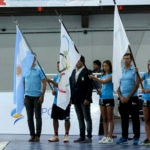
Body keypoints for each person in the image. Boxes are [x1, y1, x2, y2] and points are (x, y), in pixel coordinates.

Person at [116, 53, 140, 145]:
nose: (126, 60)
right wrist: (121, 96)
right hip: (122, 99)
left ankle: (136, 137)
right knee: (124, 118)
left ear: (131, 60)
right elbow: (117, 85)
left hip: (132, 98)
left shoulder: (135, 70)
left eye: (128, 58)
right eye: (124, 58)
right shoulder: (120, 71)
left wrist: (128, 97)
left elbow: (137, 85)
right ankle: (124, 137)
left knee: (135, 118)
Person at [89, 60, 114, 144]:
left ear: (110, 66)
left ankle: (110, 137)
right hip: (102, 97)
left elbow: (104, 82)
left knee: (110, 118)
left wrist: (94, 77)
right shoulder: (103, 75)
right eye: (103, 66)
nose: (105, 67)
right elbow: (103, 85)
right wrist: (99, 90)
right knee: (104, 118)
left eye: (106, 65)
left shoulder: (112, 75)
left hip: (109, 98)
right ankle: (105, 136)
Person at [69, 56, 93, 143]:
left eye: (79, 61)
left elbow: (89, 87)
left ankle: (89, 136)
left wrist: (87, 98)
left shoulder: (87, 71)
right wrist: (71, 98)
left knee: (87, 118)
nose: (77, 63)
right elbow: (71, 86)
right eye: (76, 61)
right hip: (75, 99)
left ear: (83, 62)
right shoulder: (73, 72)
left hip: (84, 99)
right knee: (80, 118)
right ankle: (82, 136)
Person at [24, 54, 46, 142]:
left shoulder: (39, 69)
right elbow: (23, 84)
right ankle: (32, 135)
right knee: (29, 117)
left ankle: (38, 135)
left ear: (35, 59)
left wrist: (42, 95)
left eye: (32, 58)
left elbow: (44, 83)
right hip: (28, 97)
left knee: (38, 117)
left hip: (37, 97)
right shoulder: (25, 70)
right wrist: (24, 96)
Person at [47, 61, 71, 143]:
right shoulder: (56, 76)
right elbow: (55, 88)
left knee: (66, 119)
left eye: (59, 66)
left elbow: (63, 87)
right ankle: (56, 135)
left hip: (65, 101)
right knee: (55, 118)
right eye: (57, 66)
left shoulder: (67, 76)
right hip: (56, 101)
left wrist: (51, 82)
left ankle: (66, 135)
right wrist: (54, 91)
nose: (58, 68)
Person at [92, 60, 104, 136]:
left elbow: (102, 82)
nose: (93, 66)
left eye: (95, 65)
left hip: (101, 94)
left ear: (98, 65)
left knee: (101, 114)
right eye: (93, 65)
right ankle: (95, 129)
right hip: (93, 95)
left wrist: (100, 89)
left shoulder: (101, 73)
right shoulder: (92, 73)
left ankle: (101, 130)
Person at [141, 60, 150, 145]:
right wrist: (136, 73)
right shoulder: (145, 74)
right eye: (148, 64)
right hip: (146, 99)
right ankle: (148, 138)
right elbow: (138, 80)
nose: (149, 66)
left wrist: (148, 90)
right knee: (147, 120)